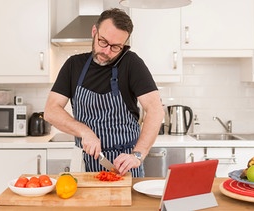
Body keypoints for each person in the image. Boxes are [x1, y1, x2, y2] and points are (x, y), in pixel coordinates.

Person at [44, 8, 164, 177]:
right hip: (85, 163)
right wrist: (84, 131)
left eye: (116, 47)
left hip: (125, 164)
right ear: (94, 32)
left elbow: (155, 109)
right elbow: (51, 111)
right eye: (103, 42)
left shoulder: (132, 64)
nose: (107, 52)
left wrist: (137, 155)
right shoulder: (73, 65)